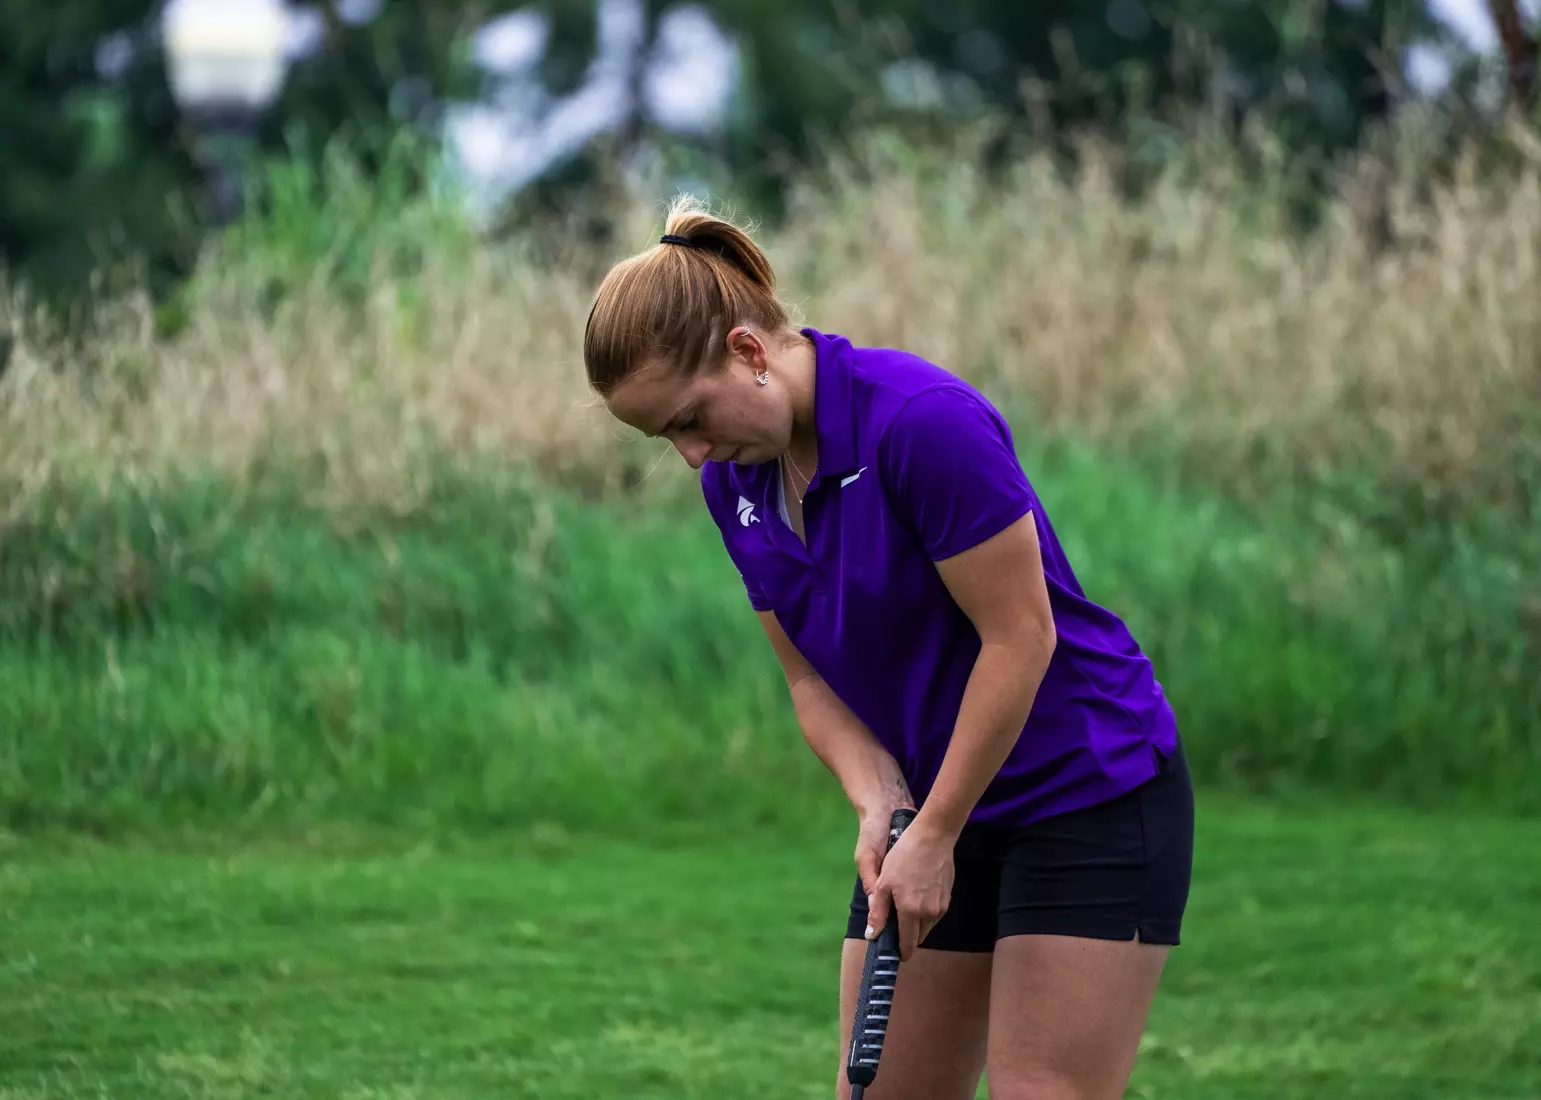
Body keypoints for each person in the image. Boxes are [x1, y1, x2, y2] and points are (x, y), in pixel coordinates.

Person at [582, 196, 1195, 1100]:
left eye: (688, 419)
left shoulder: (919, 422)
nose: (691, 455)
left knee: (1040, 1089)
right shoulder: (736, 482)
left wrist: (936, 829)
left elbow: (1019, 636)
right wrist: (881, 801)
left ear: (748, 351)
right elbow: (807, 677)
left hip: (1084, 787)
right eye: (665, 437)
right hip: (937, 806)